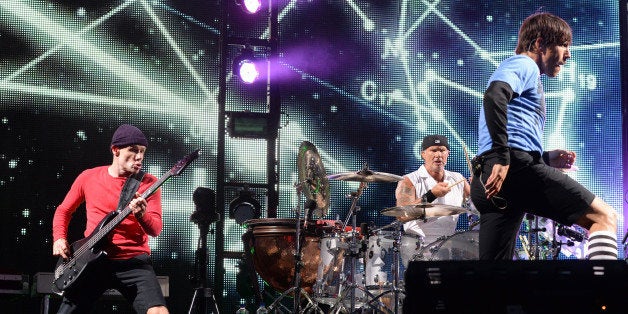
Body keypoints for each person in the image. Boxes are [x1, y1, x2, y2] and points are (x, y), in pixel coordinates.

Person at [470, 11, 618, 260]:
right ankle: (603, 295)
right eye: (563, 45)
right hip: (512, 169)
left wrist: (546, 158)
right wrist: (503, 157)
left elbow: (515, 130)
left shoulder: (525, 73)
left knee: (494, 274)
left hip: (489, 178)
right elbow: (495, 96)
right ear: (540, 43)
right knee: (603, 217)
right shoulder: (524, 63)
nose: (568, 54)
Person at [52, 124, 169, 313]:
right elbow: (64, 210)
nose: (139, 157)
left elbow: (155, 229)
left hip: (133, 262)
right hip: (91, 262)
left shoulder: (150, 184)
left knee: (158, 312)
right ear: (115, 150)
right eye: (133, 150)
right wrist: (59, 238)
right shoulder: (88, 177)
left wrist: (141, 215)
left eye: (142, 151)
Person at [395, 134, 471, 252]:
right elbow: (402, 215)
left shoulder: (458, 179)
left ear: (448, 154)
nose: (438, 155)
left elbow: (476, 205)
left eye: (442, 150)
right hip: (418, 246)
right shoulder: (409, 180)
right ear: (423, 154)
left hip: (449, 245)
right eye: (433, 150)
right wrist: (431, 195)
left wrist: (479, 185)